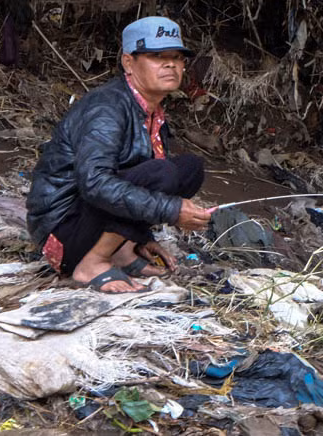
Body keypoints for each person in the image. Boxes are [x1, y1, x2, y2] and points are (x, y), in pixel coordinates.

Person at [26, 16, 213, 293]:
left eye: (177, 57)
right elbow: (94, 183)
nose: (171, 64)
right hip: (63, 233)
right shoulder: (107, 109)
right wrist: (170, 209)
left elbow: (134, 174)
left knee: (189, 168)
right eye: (156, 56)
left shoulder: (150, 111)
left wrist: (139, 237)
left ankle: (122, 252)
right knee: (162, 173)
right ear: (128, 63)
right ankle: (91, 263)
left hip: (89, 221)